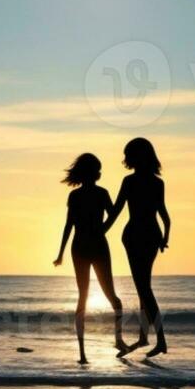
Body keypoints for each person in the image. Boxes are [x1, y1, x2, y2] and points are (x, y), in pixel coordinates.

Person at [53, 153, 130, 364]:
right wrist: (103, 229)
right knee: (110, 296)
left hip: (80, 246)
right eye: (97, 169)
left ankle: (85, 353)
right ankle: (112, 341)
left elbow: (69, 225)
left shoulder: (77, 196)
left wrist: (61, 253)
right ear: (92, 173)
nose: (99, 173)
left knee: (86, 297)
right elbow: (113, 213)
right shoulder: (96, 194)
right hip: (93, 245)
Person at [105, 138, 170, 358]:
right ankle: (144, 337)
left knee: (144, 288)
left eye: (129, 155)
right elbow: (165, 216)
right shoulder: (157, 182)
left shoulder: (130, 181)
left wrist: (101, 230)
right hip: (152, 235)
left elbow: (116, 211)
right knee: (144, 286)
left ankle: (161, 340)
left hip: (135, 236)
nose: (126, 160)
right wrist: (165, 237)